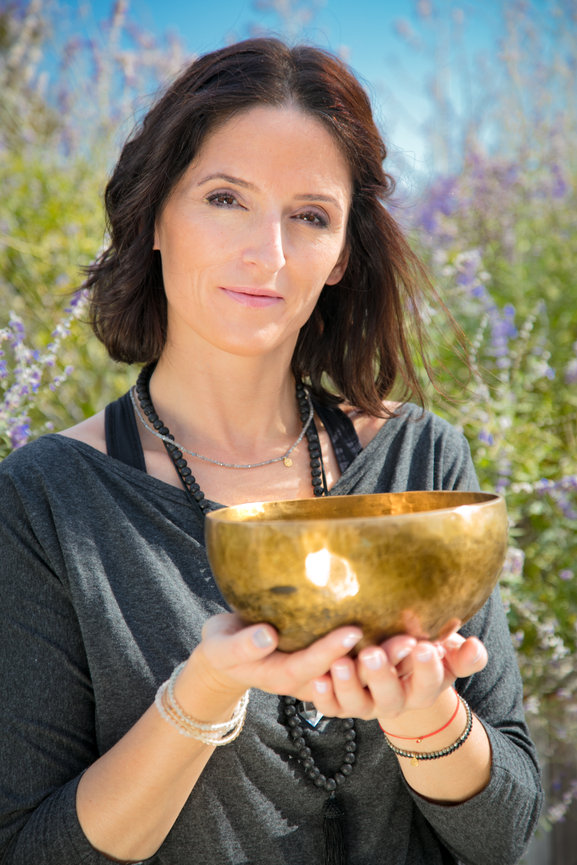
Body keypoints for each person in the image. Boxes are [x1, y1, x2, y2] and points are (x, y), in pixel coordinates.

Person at [0, 38, 542, 865]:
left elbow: (506, 832)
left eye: (310, 215)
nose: (270, 253)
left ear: (340, 257)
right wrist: (203, 691)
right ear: (153, 217)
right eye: (225, 198)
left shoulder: (421, 470)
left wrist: (422, 716)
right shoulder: (43, 502)